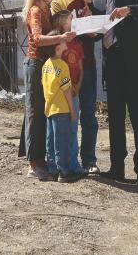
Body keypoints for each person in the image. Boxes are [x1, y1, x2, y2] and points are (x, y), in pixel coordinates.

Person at [91, 0, 138, 185]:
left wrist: (129, 10)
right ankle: (117, 167)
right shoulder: (99, 0)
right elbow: (99, 31)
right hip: (113, 64)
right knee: (115, 117)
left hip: (134, 64)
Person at [18, 0, 75, 180]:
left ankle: (40, 159)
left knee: (42, 112)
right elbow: (37, 38)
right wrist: (61, 36)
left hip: (44, 65)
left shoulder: (46, 9)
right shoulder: (35, 10)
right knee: (35, 113)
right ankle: (34, 164)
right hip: (35, 63)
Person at [51, 0, 101, 174]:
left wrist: (93, 28)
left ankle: (89, 160)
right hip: (66, 66)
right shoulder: (58, 2)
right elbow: (59, 32)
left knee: (89, 114)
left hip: (87, 62)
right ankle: (68, 162)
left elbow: (98, 31)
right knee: (68, 115)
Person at [41, 30, 85, 183]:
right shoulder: (63, 66)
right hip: (62, 109)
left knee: (51, 140)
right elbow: (67, 91)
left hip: (50, 108)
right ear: (58, 47)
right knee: (62, 141)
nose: (64, 39)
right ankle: (64, 172)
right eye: (61, 39)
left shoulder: (46, 65)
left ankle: (52, 170)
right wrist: (73, 111)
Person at [52, 10, 85, 174]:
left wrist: (77, 85)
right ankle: (59, 166)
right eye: (70, 19)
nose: (73, 21)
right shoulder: (57, 44)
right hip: (61, 94)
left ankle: (73, 164)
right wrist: (68, 86)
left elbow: (80, 67)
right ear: (61, 23)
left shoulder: (77, 44)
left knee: (73, 128)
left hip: (74, 93)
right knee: (59, 131)